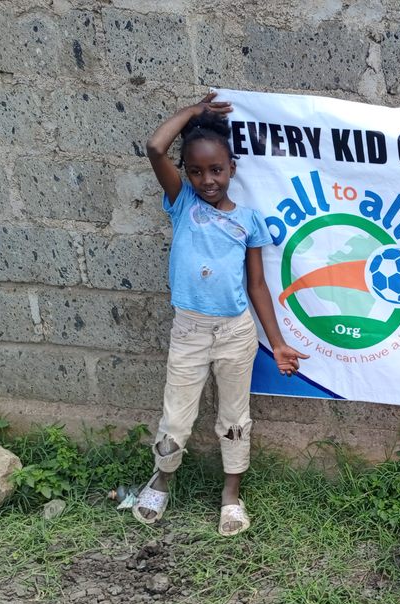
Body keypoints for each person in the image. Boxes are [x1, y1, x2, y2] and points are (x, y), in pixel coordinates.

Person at [132, 93, 308, 536]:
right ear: (185, 173)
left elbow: (257, 286)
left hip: (235, 334)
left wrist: (278, 342)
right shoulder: (182, 204)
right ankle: (162, 479)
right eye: (195, 171)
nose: (207, 180)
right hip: (189, 331)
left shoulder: (248, 221)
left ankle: (231, 496)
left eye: (216, 170)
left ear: (232, 168)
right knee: (176, 416)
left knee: (234, 418)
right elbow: (155, 147)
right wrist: (194, 112)